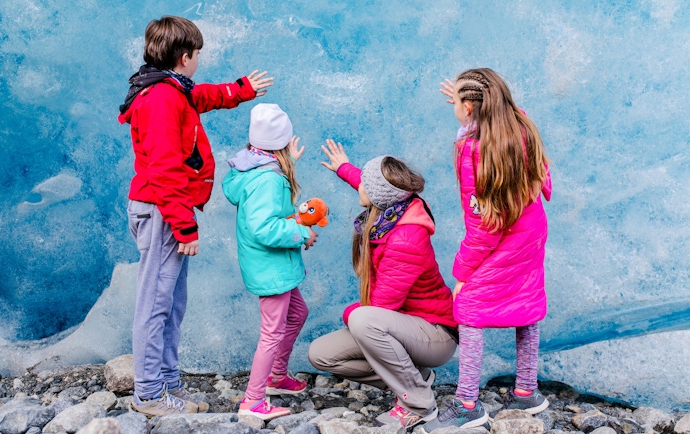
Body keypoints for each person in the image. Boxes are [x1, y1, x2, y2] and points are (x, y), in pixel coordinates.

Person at [119, 15, 273, 417]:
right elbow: (164, 169)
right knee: (155, 302)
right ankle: (150, 393)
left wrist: (240, 91)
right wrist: (184, 225)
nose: (200, 60)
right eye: (198, 54)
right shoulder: (162, 98)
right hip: (162, 210)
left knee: (171, 300)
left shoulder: (167, 87)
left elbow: (199, 97)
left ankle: (167, 383)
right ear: (186, 57)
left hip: (163, 208)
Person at [420, 68, 552, 433]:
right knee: (526, 303)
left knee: (469, 307)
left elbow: (482, 229)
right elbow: (504, 108)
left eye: (459, 104)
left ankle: (467, 404)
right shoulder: (519, 127)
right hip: (531, 230)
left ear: (468, 107)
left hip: (505, 236)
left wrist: (461, 274)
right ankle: (527, 391)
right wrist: (470, 102)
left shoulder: (473, 152)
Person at [308, 141, 458, 429]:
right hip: (401, 326)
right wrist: (343, 168)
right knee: (321, 354)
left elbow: (381, 308)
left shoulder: (405, 238)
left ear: (378, 195)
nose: (360, 185)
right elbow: (376, 188)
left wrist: (350, 314)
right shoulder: (393, 209)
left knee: (362, 318)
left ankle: (419, 403)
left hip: (435, 333)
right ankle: (416, 378)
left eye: (364, 182)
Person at [222, 103, 318, 421]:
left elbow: (268, 209)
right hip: (271, 268)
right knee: (271, 332)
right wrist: (301, 232)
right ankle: (253, 400)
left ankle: (277, 376)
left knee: (298, 312)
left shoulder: (257, 168)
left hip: (273, 265)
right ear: (279, 144)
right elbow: (264, 227)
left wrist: (287, 161)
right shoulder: (268, 180)